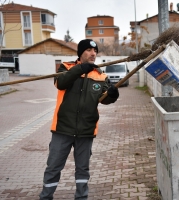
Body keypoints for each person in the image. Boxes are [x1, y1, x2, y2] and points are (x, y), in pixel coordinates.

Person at [39, 39, 119, 200]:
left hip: (86, 130)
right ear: (81, 53)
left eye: (95, 51)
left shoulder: (101, 76)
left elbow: (104, 99)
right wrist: (80, 69)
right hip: (63, 129)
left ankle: (81, 197)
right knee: (53, 166)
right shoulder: (66, 68)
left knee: (83, 169)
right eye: (89, 50)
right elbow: (61, 83)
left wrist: (112, 96)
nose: (93, 53)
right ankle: (46, 197)